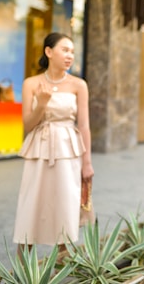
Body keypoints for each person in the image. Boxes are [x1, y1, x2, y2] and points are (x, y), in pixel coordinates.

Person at [12, 32, 95, 255]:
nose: (70, 56)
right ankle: (24, 263)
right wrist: (42, 104)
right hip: (39, 146)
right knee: (32, 200)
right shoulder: (31, 83)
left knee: (65, 201)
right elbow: (28, 125)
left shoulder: (79, 85)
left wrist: (87, 163)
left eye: (72, 52)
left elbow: (84, 126)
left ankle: (62, 258)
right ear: (49, 52)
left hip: (69, 148)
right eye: (65, 50)